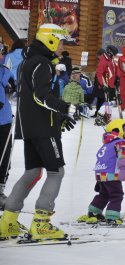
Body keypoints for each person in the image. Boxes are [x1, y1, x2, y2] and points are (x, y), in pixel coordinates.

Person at [0, 24, 77, 240]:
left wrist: (59, 117)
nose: (62, 45)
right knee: (56, 172)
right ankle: (41, 224)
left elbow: (33, 98)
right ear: (50, 40)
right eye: (60, 41)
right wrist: (66, 108)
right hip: (43, 129)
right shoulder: (42, 63)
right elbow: (40, 96)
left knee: (33, 172)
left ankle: (7, 222)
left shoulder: (28, 61)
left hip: (30, 127)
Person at [77, 119, 125, 225]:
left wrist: (99, 179)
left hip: (101, 173)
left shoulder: (106, 144)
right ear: (118, 130)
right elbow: (122, 157)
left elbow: (101, 159)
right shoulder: (121, 143)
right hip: (112, 174)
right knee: (117, 194)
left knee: (103, 194)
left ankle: (94, 212)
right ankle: (112, 216)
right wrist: (123, 169)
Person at [0, 55, 16, 209]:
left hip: (4, 120)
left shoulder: (5, 72)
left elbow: (14, 86)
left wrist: (12, 86)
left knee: (5, 157)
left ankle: (0, 191)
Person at [94, 45, 118, 126]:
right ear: (110, 52)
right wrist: (102, 84)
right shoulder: (103, 60)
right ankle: (100, 116)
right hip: (106, 84)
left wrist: (117, 78)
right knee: (108, 102)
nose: (114, 56)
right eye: (114, 54)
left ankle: (107, 117)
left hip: (111, 84)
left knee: (111, 101)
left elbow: (115, 69)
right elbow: (99, 73)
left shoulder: (110, 59)